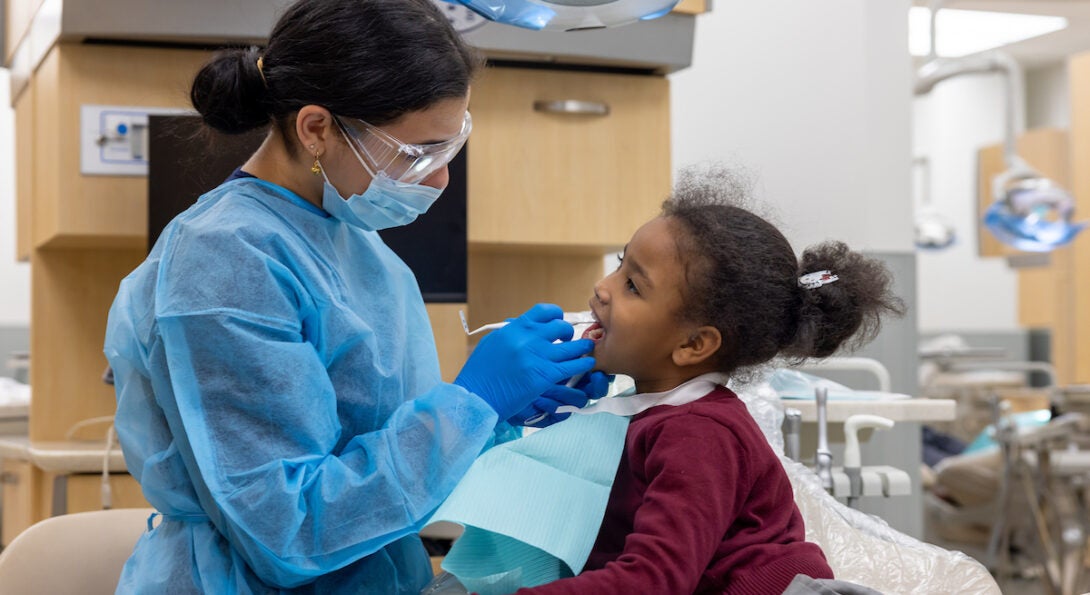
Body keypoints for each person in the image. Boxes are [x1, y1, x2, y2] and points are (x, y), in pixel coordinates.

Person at [102, 0, 607, 592]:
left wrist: (497, 420)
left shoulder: (363, 249)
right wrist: (472, 403)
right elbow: (283, 531)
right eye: (418, 153)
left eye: (451, 149)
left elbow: (380, 451)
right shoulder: (224, 261)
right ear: (316, 128)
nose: (440, 179)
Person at [517, 166, 905, 594]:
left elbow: (651, 581)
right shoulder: (651, 411)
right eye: (619, 264)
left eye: (632, 285)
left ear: (694, 345)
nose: (602, 287)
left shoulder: (698, 434)